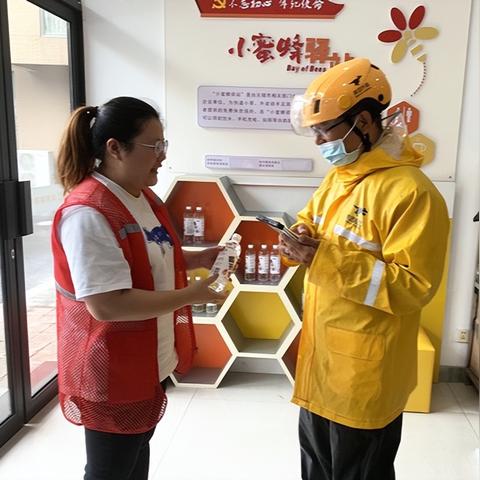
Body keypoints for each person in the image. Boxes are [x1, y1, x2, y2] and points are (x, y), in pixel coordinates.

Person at [281, 58, 449, 480]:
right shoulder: (340, 177)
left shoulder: (412, 193)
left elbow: (413, 287)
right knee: (317, 469)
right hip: (320, 367)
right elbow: (312, 222)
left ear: (363, 122)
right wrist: (299, 235)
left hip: (364, 377)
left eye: (325, 130)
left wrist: (320, 258)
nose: (319, 141)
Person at [52, 96, 226, 480]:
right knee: (110, 470)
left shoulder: (140, 196)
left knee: (134, 460)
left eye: (164, 144)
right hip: (111, 370)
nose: (162, 155)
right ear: (115, 148)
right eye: (154, 145)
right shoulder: (88, 213)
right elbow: (107, 305)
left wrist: (197, 259)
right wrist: (192, 296)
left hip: (145, 360)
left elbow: (148, 261)